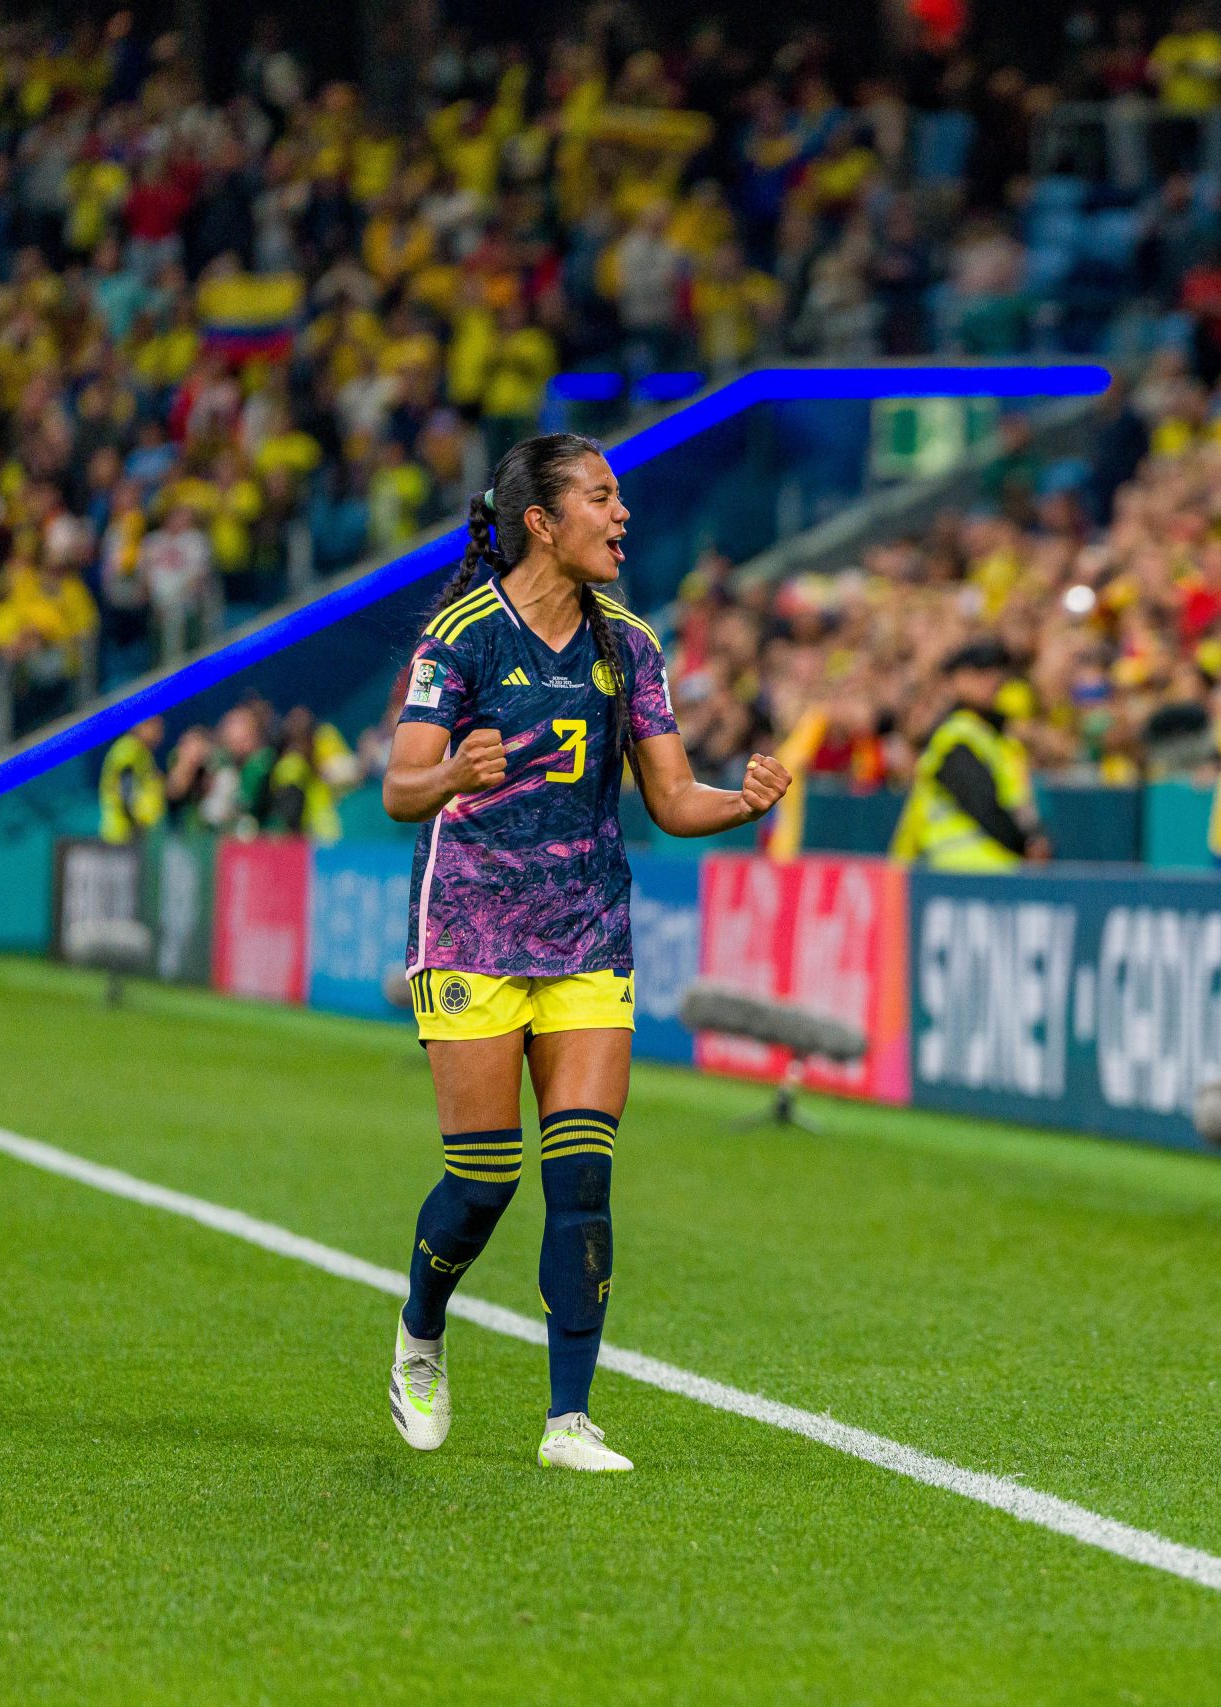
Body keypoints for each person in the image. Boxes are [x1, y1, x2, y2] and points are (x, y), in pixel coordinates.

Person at [381, 433, 788, 1474]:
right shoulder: (460, 639)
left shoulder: (628, 646)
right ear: (540, 521)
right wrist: (453, 778)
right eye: (601, 499)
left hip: (587, 932)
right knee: (482, 1179)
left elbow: (669, 797)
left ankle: (569, 1420)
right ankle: (422, 1332)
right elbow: (400, 789)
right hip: (469, 926)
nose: (622, 516)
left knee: (583, 1178)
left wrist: (736, 804)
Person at [890, 639, 1049, 870]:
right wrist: (1024, 845)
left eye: (996, 672)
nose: (993, 680)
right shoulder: (956, 736)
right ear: (958, 679)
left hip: (990, 874)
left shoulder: (994, 737)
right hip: (962, 875)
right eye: (981, 672)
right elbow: (984, 808)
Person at [98, 717, 167, 844]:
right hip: (122, 832)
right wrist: (135, 822)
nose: (160, 734)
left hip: (132, 832)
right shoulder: (129, 749)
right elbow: (125, 789)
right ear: (141, 726)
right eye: (156, 728)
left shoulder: (143, 753)